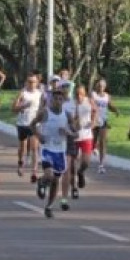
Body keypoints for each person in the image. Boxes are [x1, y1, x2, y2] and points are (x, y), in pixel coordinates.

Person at [30, 85, 75, 218]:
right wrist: (39, 136)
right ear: (51, 100)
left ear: (63, 101)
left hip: (60, 152)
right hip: (47, 149)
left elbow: (76, 133)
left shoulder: (67, 115)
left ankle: (49, 206)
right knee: (49, 175)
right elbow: (32, 125)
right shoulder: (44, 112)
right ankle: (42, 182)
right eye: (55, 99)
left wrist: (68, 132)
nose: (58, 101)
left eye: (60, 99)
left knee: (56, 181)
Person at [65, 85, 98, 201]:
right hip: (73, 136)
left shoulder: (89, 102)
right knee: (72, 164)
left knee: (86, 162)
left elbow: (95, 111)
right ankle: (74, 187)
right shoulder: (70, 104)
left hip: (86, 135)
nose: (79, 96)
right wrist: (73, 123)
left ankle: (81, 173)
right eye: (77, 94)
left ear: (84, 94)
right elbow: (68, 119)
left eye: (81, 94)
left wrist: (93, 121)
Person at [12, 74, 43, 181]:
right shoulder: (22, 93)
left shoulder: (40, 94)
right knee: (23, 147)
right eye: (29, 82)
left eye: (33, 82)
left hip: (34, 124)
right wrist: (23, 106)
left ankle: (34, 172)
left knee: (35, 148)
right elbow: (14, 108)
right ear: (26, 82)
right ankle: (20, 163)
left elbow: (44, 108)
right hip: (22, 124)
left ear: (37, 83)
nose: (31, 84)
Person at [92, 78, 119, 174]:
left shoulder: (107, 96)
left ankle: (101, 165)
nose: (101, 87)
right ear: (96, 86)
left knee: (103, 142)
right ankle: (94, 147)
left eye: (103, 86)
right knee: (93, 140)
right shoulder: (93, 95)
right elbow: (90, 105)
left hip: (104, 121)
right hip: (94, 121)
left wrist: (115, 110)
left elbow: (110, 105)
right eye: (99, 85)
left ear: (105, 87)